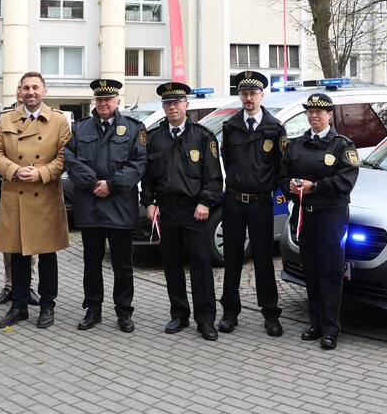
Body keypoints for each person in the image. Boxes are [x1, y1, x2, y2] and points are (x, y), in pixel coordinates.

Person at [0, 71, 71, 330]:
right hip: (15, 194)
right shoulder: (5, 119)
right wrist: (14, 170)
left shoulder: (59, 120)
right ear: (20, 92)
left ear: (44, 91)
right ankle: (19, 306)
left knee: (47, 255)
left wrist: (41, 172)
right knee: (18, 254)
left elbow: (65, 156)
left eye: (35, 87)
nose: (31, 92)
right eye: (26, 88)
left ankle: (47, 306)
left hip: (45, 195)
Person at [141, 82, 223, 341]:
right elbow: (147, 177)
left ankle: (206, 319)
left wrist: (205, 202)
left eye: (177, 102)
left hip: (194, 210)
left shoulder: (203, 136)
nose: (172, 107)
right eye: (168, 103)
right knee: (172, 265)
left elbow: (213, 177)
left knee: (200, 264)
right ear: (163, 107)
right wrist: (149, 203)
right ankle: (179, 314)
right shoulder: (153, 138)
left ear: (186, 105)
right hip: (166, 211)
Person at [279, 92, 360, 350]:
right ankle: (315, 323)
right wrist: (289, 186)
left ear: (329, 115)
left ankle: (331, 328)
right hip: (305, 216)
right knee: (311, 271)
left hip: (331, 216)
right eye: (310, 112)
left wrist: (314, 187)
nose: (314, 116)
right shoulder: (296, 145)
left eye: (319, 112)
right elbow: (282, 176)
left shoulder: (342, 145)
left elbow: (345, 182)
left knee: (330, 272)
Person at [64, 79, 147, 333]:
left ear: (117, 101)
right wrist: (93, 184)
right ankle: (93, 309)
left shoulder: (134, 128)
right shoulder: (79, 129)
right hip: (90, 204)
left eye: (108, 100)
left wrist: (111, 184)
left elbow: (139, 164)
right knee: (91, 261)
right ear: (94, 101)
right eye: (99, 99)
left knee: (123, 263)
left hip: (120, 204)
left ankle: (124, 311)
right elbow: (70, 159)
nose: (103, 104)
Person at [218, 71, 286, 337]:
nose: (248, 98)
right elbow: (228, 161)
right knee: (232, 258)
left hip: (261, 203)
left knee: (263, 259)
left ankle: (270, 314)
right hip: (234, 201)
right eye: (244, 94)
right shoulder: (230, 126)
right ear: (240, 96)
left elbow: (281, 166)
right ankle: (230, 312)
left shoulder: (275, 127)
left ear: (262, 95)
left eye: (253, 93)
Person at [0, 97, 40, 308]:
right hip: (8, 189)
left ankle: (30, 285)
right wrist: (7, 174)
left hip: (33, 190)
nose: (24, 93)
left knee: (31, 240)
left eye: (29, 88)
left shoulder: (39, 119)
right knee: (10, 242)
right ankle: (9, 285)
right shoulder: (3, 118)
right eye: (21, 89)